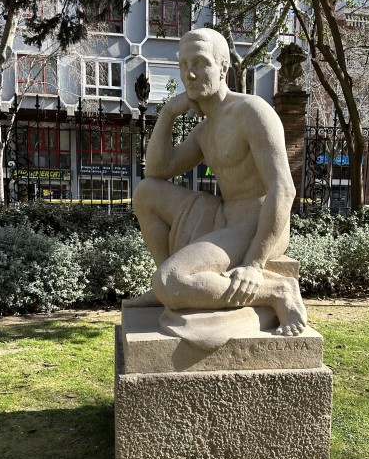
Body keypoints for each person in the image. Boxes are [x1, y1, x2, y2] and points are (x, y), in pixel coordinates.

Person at [131, 28, 307, 336]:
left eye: (199, 63)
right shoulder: (205, 131)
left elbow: (283, 188)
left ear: (223, 68)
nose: (190, 74)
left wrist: (254, 263)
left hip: (256, 222)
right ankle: (166, 285)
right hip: (224, 216)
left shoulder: (251, 111)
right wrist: (169, 113)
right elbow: (156, 173)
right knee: (146, 193)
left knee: (171, 282)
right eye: (184, 65)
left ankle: (278, 292)